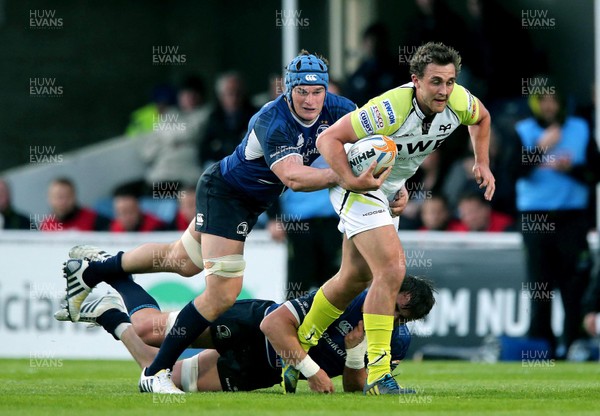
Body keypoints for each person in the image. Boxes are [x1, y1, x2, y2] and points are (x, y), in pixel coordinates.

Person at [60, 50, 391, 394]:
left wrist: (391, 185)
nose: (310, 100)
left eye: (317, 91)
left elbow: (370, 148)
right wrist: (346, 178)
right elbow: (293, 177)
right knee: (221, 294)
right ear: (287, 89)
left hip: (251, 203)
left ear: (327, 90)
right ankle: (155, 373)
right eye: (301, 92)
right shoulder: (271, 119)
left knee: (181, 261)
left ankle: (94, 269)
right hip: (226, 194)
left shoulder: (341, 110)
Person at [292, 42, 495, 395]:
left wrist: (482, 162)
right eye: (435, 82)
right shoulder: (388, 109)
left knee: (353, 279)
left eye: (449, 81)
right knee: (392, 269)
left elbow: (483, 118)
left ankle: (299, 346)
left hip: (389, 186)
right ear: (415, 80)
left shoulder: (459, 100)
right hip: (358, 180)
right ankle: (379, 374)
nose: (444, 91)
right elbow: (328, 139)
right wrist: (351, 179)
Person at [55, 261, 435, 393]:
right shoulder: (349, 296)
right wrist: (312, 371)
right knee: (149, 331)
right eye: (387, 297)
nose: (384, 308)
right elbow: (274, 325)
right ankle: (113, 271)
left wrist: (354, 353)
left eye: (398, 315)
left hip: (261, 370)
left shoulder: (395, 342)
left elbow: (356, 388)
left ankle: (107, 314)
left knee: (163, 371)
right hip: (252, 325)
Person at [514, 89, 594, 358]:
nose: (549, 106)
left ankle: (574, 344)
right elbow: (510, 171)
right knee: (540, 286)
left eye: (553, 101)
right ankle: (540, 347)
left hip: (572, 217)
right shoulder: (523, 130)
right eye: (543, 101)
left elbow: (595, 172)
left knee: (575, 286)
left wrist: (570, 169)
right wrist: (539, 150)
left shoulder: (580, 129)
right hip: (535, 217)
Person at [198, 71, 257, 169]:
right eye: (230, 93)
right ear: (221, 96)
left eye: (238, 93)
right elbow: (205, 152)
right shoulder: (214, 118)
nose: (234, 98)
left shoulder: (255, 116)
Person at [40, 177, 110, 231]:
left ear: (74, 197)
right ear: (49, 198)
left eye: (67, 196)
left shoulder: (94, 220)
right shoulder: (45, 226)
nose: (63, 202)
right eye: (58, 197)